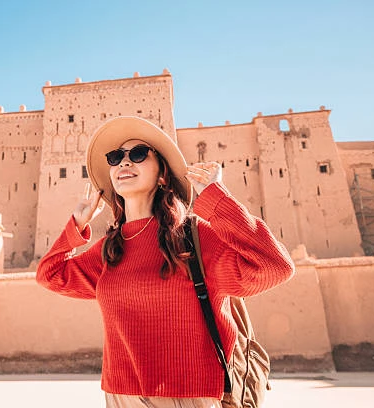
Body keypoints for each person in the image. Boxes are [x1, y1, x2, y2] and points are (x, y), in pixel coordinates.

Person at [36, 116, 295, 408]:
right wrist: (76, 225)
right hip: (120, 397)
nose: (124, 162)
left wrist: (217, 200)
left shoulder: (194, 238)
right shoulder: (111, 249)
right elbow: (50, 274)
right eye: (115, 157)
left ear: (162, 175)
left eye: (138, 154)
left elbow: (275, 266)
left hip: (187, 397)